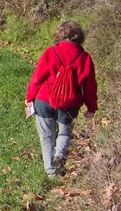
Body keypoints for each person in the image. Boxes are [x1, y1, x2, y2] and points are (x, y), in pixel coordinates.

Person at [25, 21, 98, 176]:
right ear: (80, 38)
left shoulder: (50, 52)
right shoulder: (85, 58)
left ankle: (51, 172)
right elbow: (90, 86)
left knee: (46, 136)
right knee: (64, 133)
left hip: (44, 100)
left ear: (60, 35)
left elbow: (37, 78)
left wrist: (30, 97)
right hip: (70, 103)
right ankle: (59, 155)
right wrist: (91, 107)